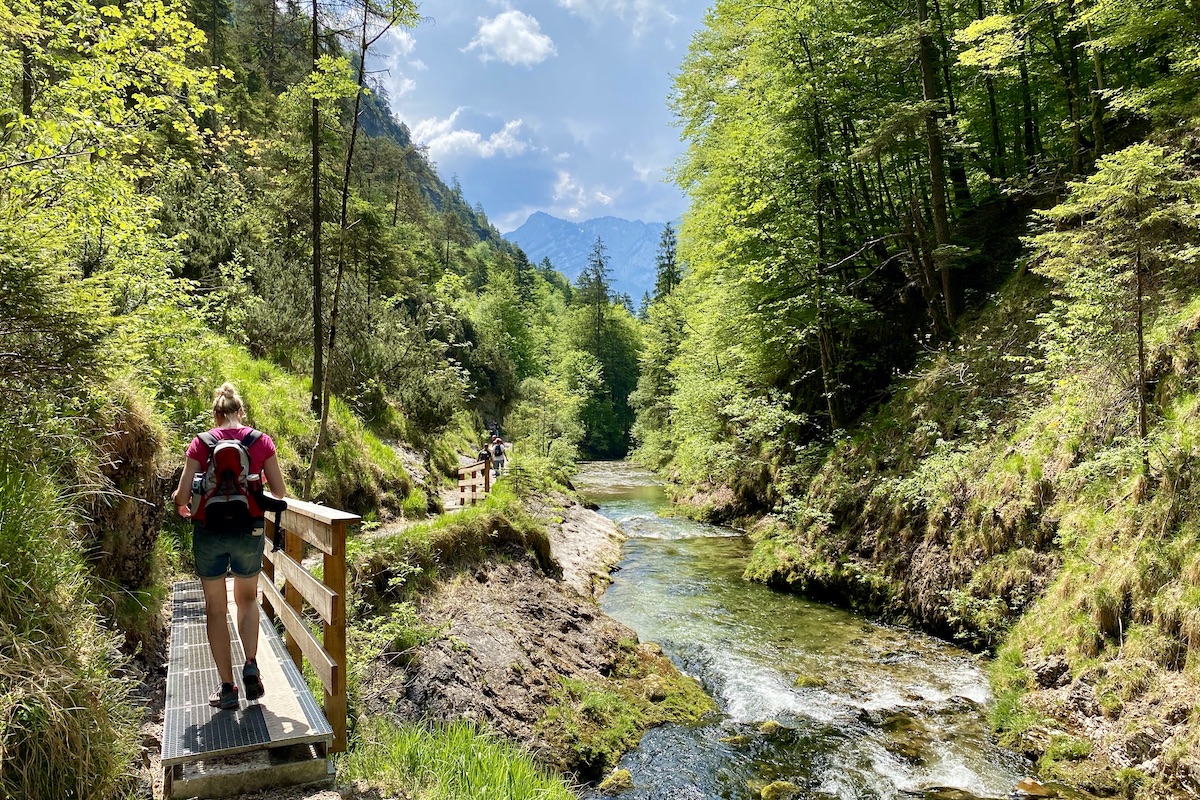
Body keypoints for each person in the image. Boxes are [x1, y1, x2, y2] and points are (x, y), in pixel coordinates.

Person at [171, 382, 287, 710]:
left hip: (208, 531)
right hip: (248, 529)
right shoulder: (260, 441)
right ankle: (251, 664)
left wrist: (182, 499)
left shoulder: (201, 443)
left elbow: (182, 497)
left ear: (216, 413)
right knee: (247, 599)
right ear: (241, 412)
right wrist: (255, 481)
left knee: (216, 608)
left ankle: (227, 688)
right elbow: (279, 492)